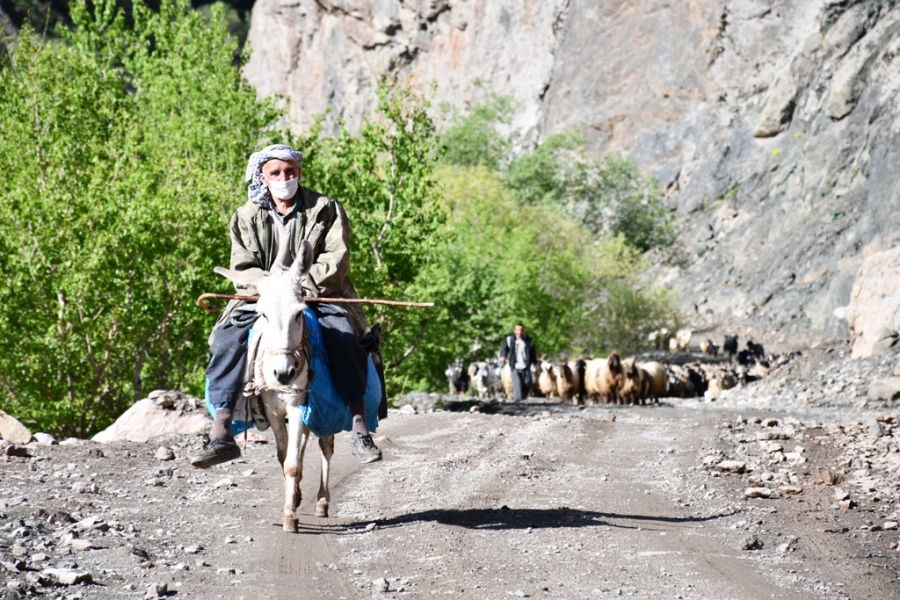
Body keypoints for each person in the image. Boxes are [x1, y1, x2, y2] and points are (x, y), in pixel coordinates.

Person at [190, 144, 382, 468]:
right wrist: (272, 287)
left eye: (290, 171)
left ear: (299, 173)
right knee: (226, 338)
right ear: (262, 178)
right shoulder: (246, 215)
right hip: (261, 295)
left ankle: (361, 429)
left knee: (343, 334)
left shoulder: (325, 208)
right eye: (275, 173)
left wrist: (297, 285)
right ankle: (222, 430)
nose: (284, 178)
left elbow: (337, 258)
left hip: (320, 291)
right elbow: (243, 265)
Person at [498, 323, 538, 401]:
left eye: (521, 330)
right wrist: (503, 356)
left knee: (527, 383)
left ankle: (522, 398)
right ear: (514, 331)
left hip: (526, 366)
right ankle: (518, 402)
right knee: (517, 384)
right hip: (515, 366)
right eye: (517, 330)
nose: (519, 332)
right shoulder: (510, 340)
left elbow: (532, 353)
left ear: (523, 331)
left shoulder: (529, 341)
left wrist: (535, 362)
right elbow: (504, 349)